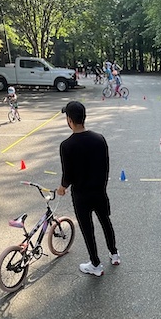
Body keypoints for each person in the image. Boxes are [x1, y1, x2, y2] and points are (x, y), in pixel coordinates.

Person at [56, 100, 119, 277]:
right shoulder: (99, 139)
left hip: (81, 195)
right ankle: (114, 253)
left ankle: (95, 264)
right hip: (99, 191)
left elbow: (67, 174)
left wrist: (62, 187)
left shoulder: (66, 145)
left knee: (87, 228)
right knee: (106, 222)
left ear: (69, 120)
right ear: (84, 117)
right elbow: (106, 166)